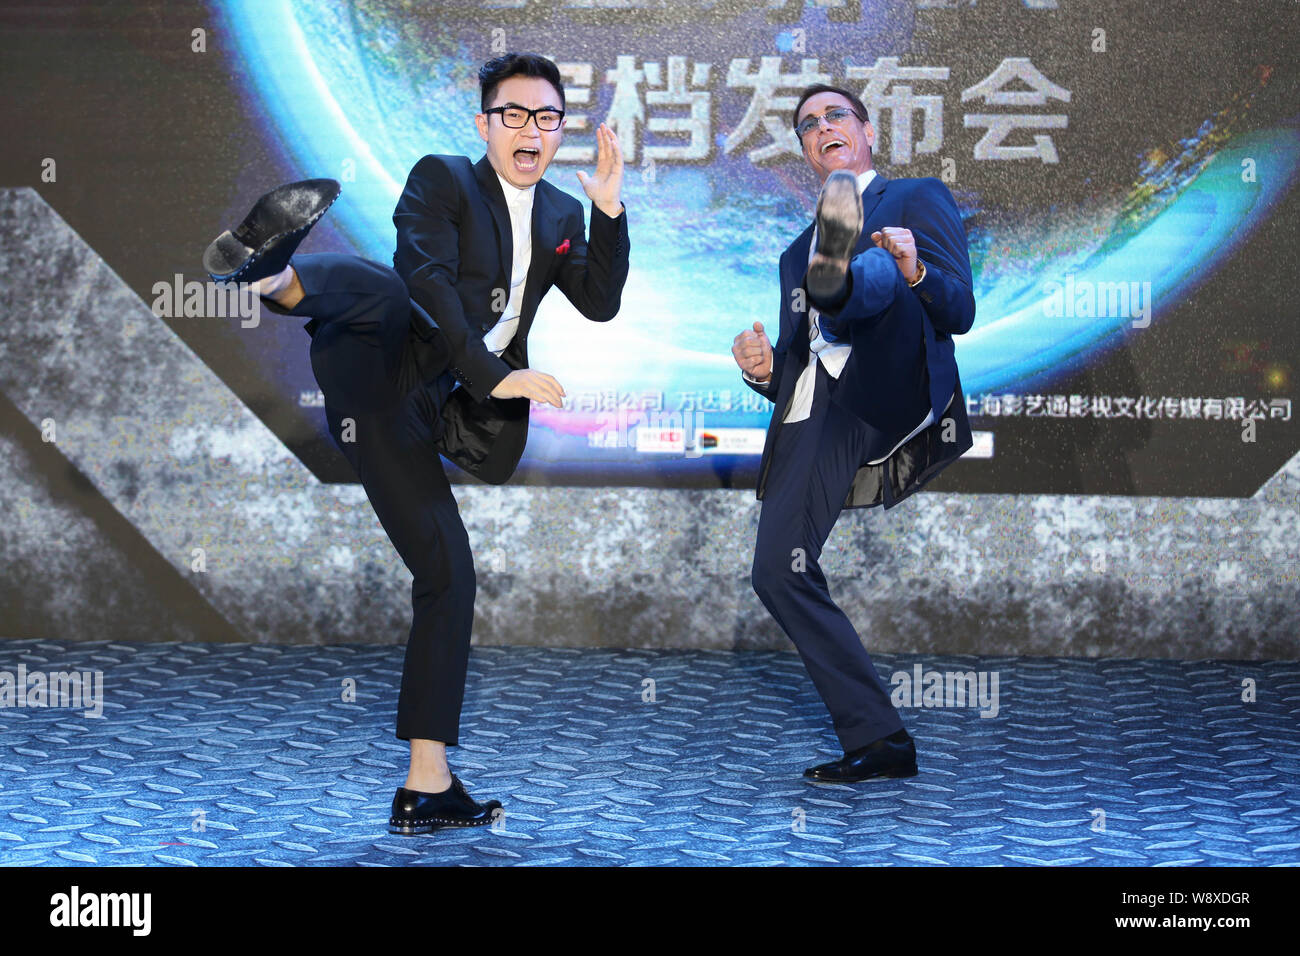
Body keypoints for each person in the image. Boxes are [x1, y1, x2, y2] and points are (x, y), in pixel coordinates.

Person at [202, 52, 629, 832]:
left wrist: (608, 211)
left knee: (449, 578)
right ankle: (275, 278)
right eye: (513, 114)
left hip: (448, 405)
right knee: (391, 290)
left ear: (559, 131)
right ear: (484, 126)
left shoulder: (564, 214)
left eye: (547, 117)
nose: (530, 130)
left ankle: (425, 785)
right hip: (384, 383)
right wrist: (494, 373)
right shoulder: (444, 179)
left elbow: (599, 304)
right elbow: (428, 281)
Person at [730, 83, 975, 784]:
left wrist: (915, 266)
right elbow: (795, 372)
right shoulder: (791, 258)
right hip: (823, 408)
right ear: (806, 150)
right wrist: (762, 370)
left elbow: (957, 309)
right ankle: (879, 737)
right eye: (808, 125)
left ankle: (845, 284)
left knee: (877, 271)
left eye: (836, 115)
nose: (822, 127)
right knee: (779, 570)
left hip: (890, 373)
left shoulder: (915, 197)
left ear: (866, 132)